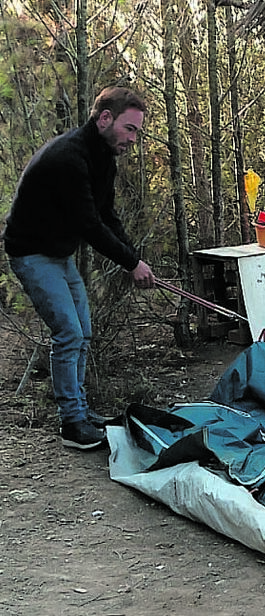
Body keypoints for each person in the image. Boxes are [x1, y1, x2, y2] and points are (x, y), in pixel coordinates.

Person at [3, 86, 155, 451]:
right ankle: (72, 424)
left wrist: (135, 259)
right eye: (130, 129)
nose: (134, 139)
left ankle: (83, 413)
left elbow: (108, 216)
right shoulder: (69, 158)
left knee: (83, 331)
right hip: (32, 254)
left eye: (138, 132)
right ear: (105, 119)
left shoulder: (103, 157)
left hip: (59, 254)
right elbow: (89, 225)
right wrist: (130, 263)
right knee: (69, 333)